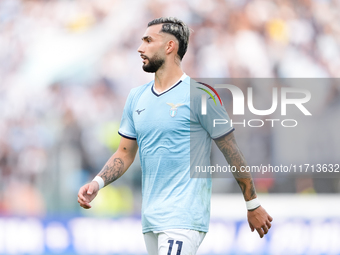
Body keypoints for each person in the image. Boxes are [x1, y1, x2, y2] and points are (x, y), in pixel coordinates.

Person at [78, 17, 273, 255]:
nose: (140, 48)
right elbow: (125, 153)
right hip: (151, 219)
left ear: (170, 47)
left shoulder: (200, 95)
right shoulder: (136, 98)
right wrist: (97, 183)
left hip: (184, 218)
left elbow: (231, 151)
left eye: (149, 41)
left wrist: (252, 204)